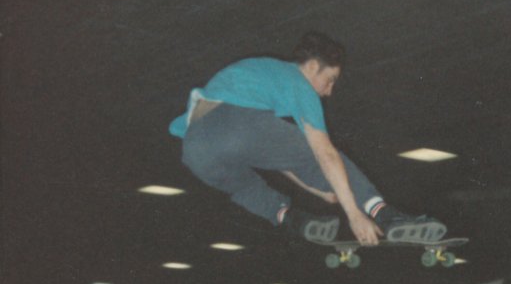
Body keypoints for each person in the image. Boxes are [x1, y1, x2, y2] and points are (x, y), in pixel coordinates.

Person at [169, 31, 446, 246]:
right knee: (328, 156)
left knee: (244, 188)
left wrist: (317, 190)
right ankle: (385, 214)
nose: (329, 92)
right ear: (313, 66)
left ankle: (290, 218)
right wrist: (354, 214)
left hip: (195, 148)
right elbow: (323, 155)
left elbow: (276, 157)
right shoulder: (297, 81)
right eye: (331, 80)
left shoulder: (264, 76)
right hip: (235, 121)